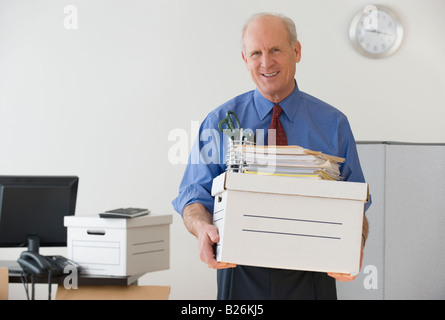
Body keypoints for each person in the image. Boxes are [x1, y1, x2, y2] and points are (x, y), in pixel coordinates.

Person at [172, 12, 370, 300]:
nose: (266, 62)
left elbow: (357, 203)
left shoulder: (334, 124)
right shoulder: (219, 122)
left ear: (296, 51)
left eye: (275, 49)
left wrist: (357, 242)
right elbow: (192, 197)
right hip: (239, 274)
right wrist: (202, 227)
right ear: (245, 60)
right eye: (256, 53)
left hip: (314, 276)